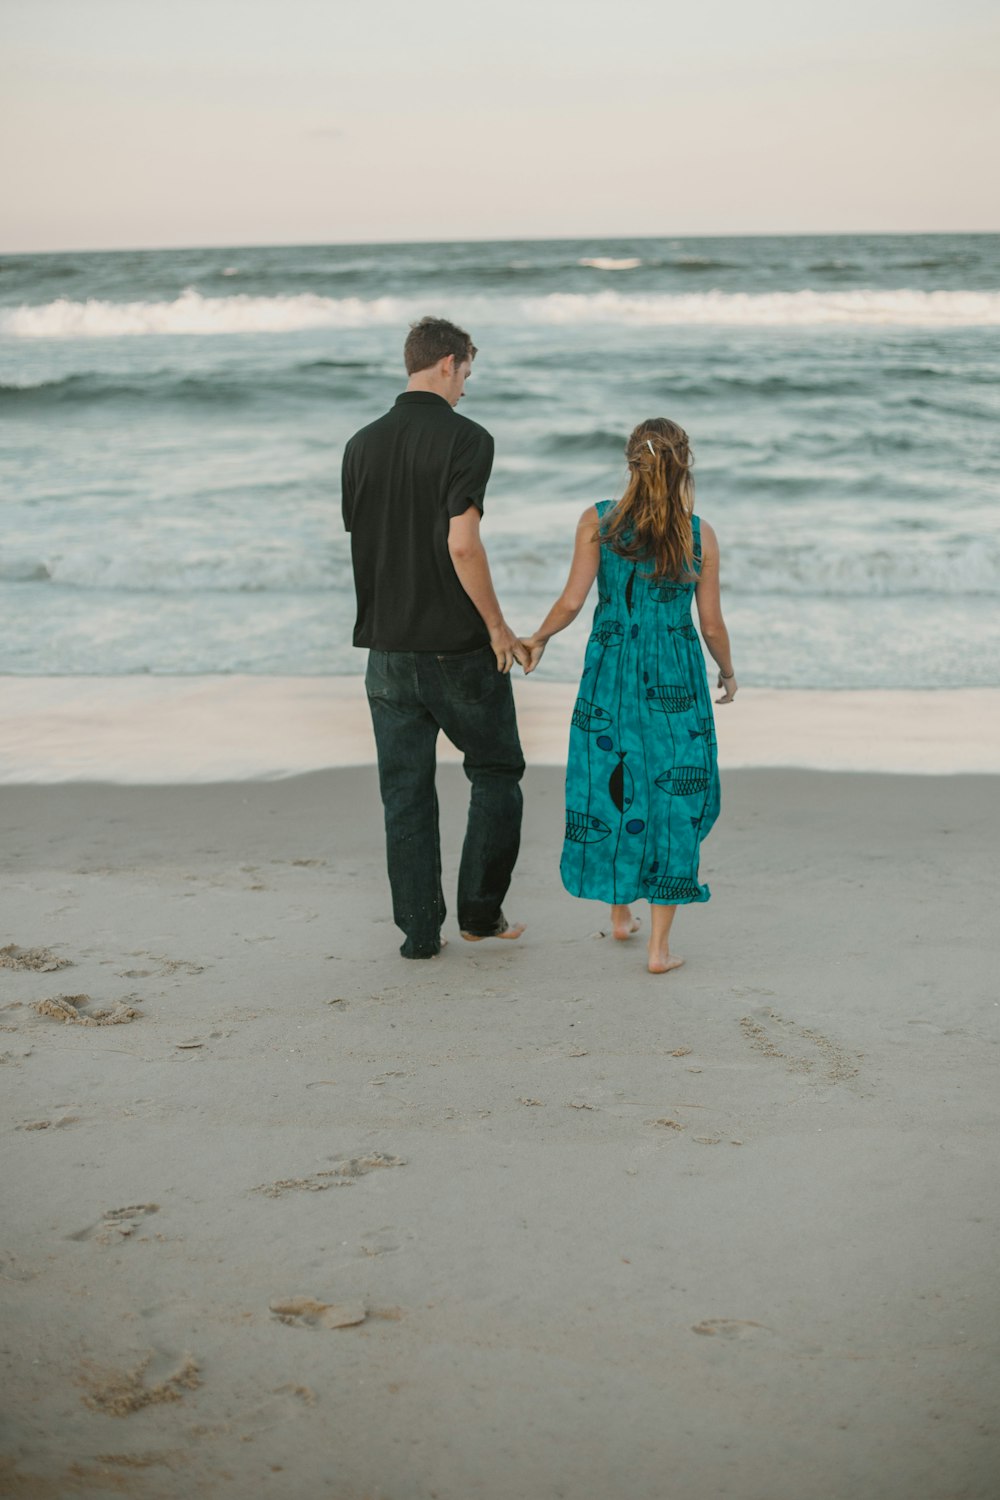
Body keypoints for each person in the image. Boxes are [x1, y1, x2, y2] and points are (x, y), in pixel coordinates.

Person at [521, 418, 737, 975]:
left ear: (629, 462)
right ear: (684, 461)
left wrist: (539, 637)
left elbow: (572, 601)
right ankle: (658, 950)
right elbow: (710, 624)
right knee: (672, 796)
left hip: (610, 673)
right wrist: (728, 671)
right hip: (676, 674)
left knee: (613, 780)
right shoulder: (698, 533)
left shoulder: (599, 522)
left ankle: (620, 915)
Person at [342, 316, 527, 959]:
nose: (466, 390)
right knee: (498, 770)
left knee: (405, 792)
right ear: (448, 363)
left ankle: (420, 933)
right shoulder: (469, 439)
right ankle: (479, 913)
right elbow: (461, 543)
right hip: (456, 648)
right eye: (467, 374)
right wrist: (498, 627)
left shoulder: (359, 444)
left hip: (386, 652)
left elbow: (369, 540)